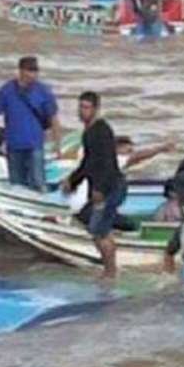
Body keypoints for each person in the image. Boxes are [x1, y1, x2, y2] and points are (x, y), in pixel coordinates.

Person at [61, 92, 126, 279]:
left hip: (110, 187)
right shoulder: (89, 132)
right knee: (96, 228)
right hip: (101, 187)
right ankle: (110, 268)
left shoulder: (101, 130)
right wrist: (73, 180)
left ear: (96, 109)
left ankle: (110, 272)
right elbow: (88, 162)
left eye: (86, 108)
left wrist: (99, 189)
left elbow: (106, 162)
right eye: (80, 107)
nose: (82, 112)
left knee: (99, 231)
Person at [0, 56, 61, 191]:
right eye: (30, 71)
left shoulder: (43, 91)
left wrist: (57, 145)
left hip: (35, 144)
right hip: (14, 144)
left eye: (35, 71)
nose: (33, 75)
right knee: (17, 184)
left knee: (38, 181)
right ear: (21, 71)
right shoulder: (6, 91)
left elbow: (53, 118)